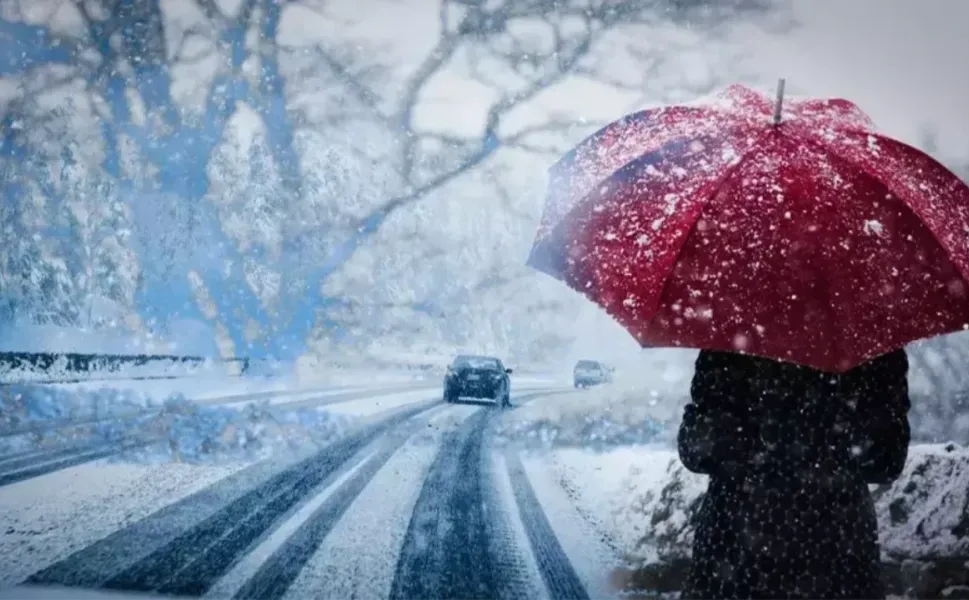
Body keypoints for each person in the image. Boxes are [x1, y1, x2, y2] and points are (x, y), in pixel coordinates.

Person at [677, 349, 910, 600]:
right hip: (838, 553)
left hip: (734, 555)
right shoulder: (869, 340)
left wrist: (751, 435)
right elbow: (886, 461)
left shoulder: (732, 338)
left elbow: (696, 451)